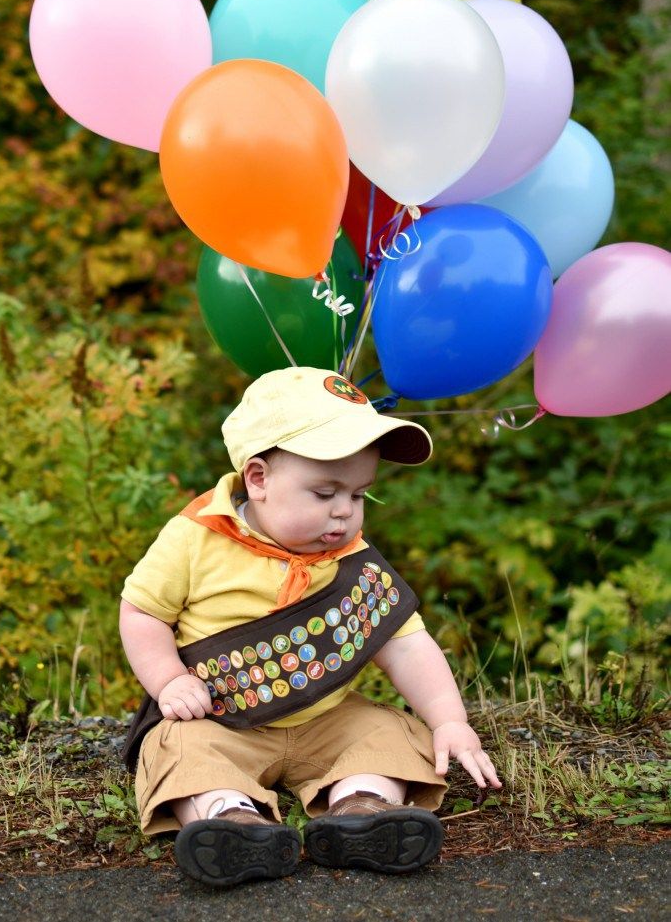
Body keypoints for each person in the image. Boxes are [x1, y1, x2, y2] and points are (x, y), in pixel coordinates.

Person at [119, 366, 501, 887]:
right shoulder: (193, 538)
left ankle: (362, 808)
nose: (345, 513)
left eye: (360, 494)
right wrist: (168, 680)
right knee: (178, 747)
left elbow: (406, 644)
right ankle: (229, 820)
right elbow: (142, 613)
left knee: (388, 730)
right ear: (259, 479)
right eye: (325, 494)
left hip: (328, 720)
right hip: (223, 721)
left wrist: (450, 721)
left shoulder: (353, 559)